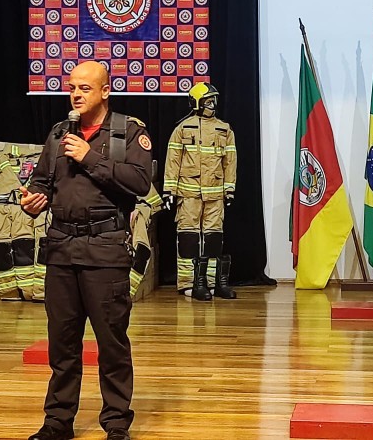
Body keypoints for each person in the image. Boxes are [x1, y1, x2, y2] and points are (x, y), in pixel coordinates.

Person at [20, 60, 152, 440]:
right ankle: (58, 422)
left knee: (111, 344)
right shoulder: (59, 132)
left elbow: (140, 183)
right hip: (61, 250)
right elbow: (42, 180)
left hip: (105, 251)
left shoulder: (128, 132)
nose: (76, 94)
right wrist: (35, 199)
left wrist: (89, 157)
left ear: (105, 91)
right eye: (72, 88)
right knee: (62, 344)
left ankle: (115, 424)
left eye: (85, 88)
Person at [163, 82, 237, 301]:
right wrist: (169, 189)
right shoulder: (183, 129)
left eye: (214, 100)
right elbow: (173, 160)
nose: (212, 105)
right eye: (207, 101)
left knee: (214, 238)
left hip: (215, 195)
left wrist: (230, 188)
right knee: (188, 237)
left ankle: (211, 283)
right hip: (189, 194)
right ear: (196, 103)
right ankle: (188, 282)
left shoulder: (225, 129)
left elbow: (230, 162)